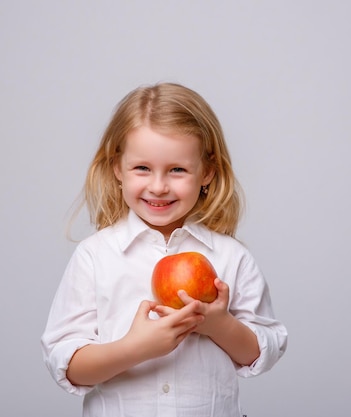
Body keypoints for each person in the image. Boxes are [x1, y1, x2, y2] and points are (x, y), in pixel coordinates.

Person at [41, 82, 288, 417]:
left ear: (207, 173)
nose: (158, 186)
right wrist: (134, 348)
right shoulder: (95, 256)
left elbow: (264, 350)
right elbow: (67, 364)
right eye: (142, 168)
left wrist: (218, 325)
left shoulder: (231, 257)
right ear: (118, 168)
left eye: (177, 170)